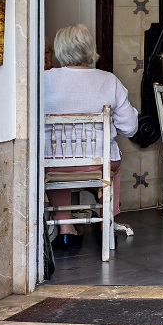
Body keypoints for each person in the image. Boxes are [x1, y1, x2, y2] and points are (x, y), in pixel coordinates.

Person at [43, 24, 139, 251]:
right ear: (90, 48)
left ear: (59, 49)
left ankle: (65, 228)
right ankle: (106, 222)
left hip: (52, 165)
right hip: (99, 164)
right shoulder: (109, 80)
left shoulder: (43, 80)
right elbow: (130, 128)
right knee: (113, 161)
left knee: (56, 164)